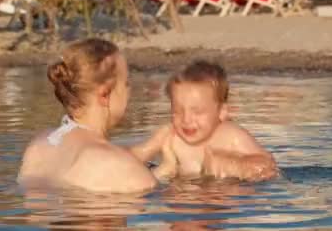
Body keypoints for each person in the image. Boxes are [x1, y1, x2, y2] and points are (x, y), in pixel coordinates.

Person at [17, 38, 157, 193]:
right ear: (104, 95)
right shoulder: (117, 164)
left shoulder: (39, 145)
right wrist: (169, 169)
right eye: (126, 83)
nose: (130, 91)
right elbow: (151, 192)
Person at [132, 61, 278, 181]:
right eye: (177, 111)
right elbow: (136, 156)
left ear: (221, 112)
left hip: (222, 199)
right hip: (181, 205)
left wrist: (234, 164)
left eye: (198, 112)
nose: (186, 119)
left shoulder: (231, 135)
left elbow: (268, 166)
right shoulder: (170, 135)